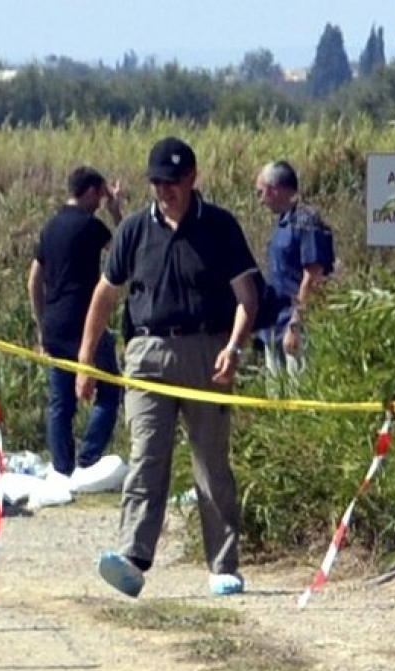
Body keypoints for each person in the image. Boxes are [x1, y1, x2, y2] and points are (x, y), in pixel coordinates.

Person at [76, 136, 260, 598]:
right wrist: (85, 360)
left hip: (207, 353)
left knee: (211, 462)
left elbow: (248, 298)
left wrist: (234, 348)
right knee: (147, 456)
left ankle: (223, 564)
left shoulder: (220, 227)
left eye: (173, 182)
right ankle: (133, 558)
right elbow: (105, 294)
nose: (165, 191)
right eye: (157, 183)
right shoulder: (134, 230)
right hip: (147, 355)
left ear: (192, 179)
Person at [28, 165, 124, 479]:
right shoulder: (91, 227)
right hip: (85, 326)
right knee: (110, 391)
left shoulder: (50, 227)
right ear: (92, 192)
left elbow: (33, 279)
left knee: (60, 402)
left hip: (55, 325)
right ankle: (88, 458)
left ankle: (61, 468)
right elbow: (127, 251)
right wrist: (116, 210)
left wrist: (41, 325)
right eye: (101, 195)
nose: (101, 201)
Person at [254, 160, 335, 376]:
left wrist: (296, 325)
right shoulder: (283, 223)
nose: (260, 200)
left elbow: (313, 277)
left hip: (297, 326)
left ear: (273, 190)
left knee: (298, 391)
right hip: (275, 326)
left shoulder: (306, 222)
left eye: (260, 193)